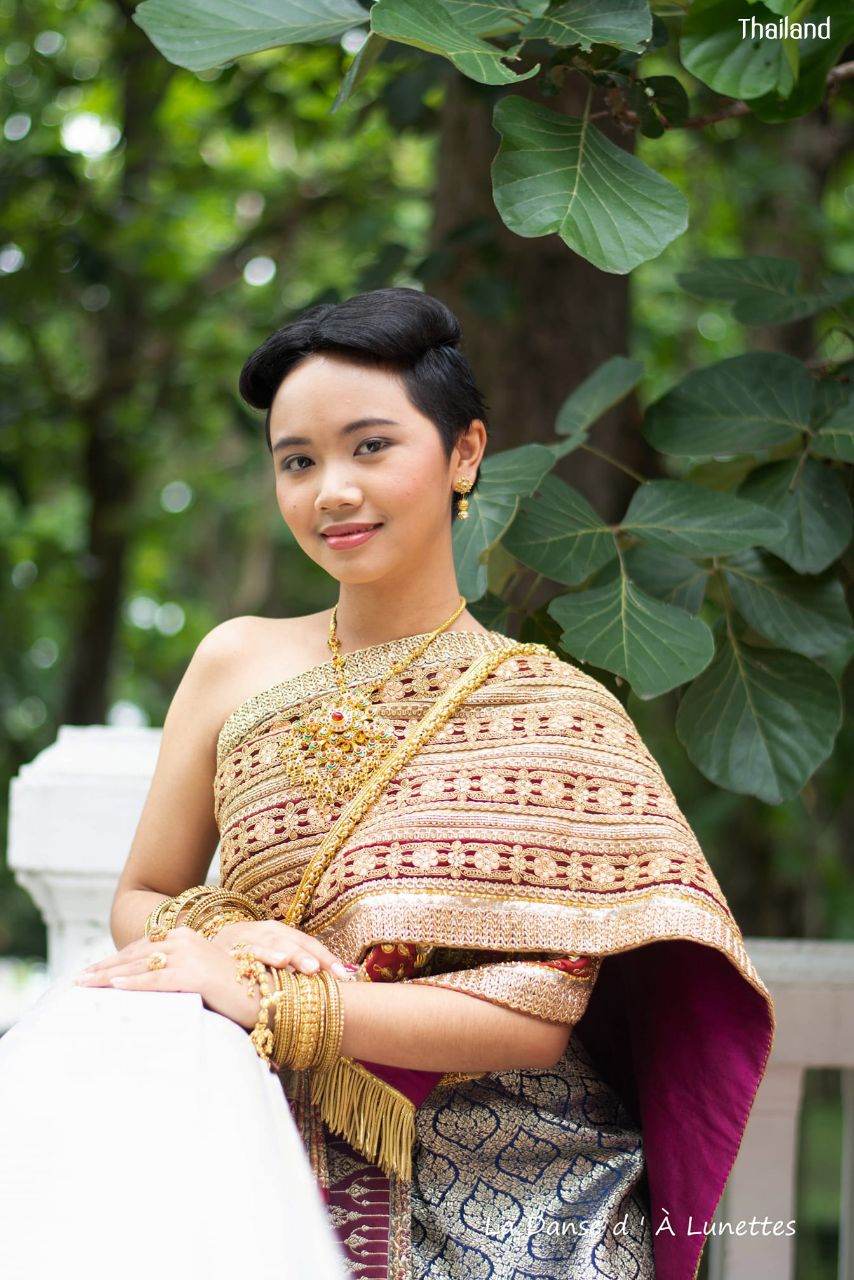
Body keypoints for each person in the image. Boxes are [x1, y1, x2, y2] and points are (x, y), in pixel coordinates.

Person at [0, 287, 775, 1280]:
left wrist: (275, 1000)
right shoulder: (235, 661)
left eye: (370, 446)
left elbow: (539, 1018)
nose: (331, 490)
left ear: (463, 453)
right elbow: (141, 897)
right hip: (262, 1150)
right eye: (297, 460)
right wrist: (230, 937)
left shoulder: (555, 712)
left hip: (524, 1197)